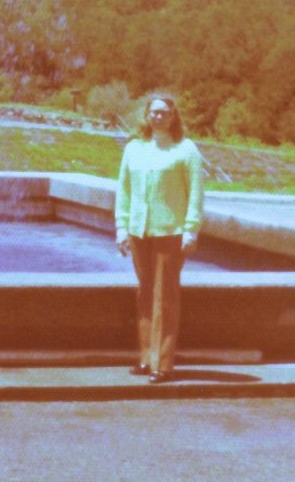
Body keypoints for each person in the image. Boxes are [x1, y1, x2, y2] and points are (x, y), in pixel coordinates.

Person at [114, 93, 203, 383]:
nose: (159, 117)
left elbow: (196, 194)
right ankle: (145, 358)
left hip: (170, 232)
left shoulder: (186, 149)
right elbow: (124, 190)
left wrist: (191, 229)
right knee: (145, 293)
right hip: (139, 231)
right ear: (146, 115)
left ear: (173, 116)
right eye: (154, 112)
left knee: (165, 296)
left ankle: (162, 364)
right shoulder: (134, 148)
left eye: (165, 112)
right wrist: (121, 227)